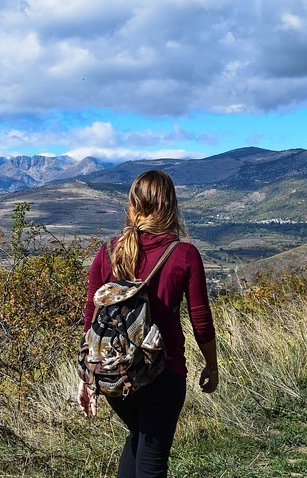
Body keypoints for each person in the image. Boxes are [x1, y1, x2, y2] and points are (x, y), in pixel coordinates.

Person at [78, 169, 219, 478]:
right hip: (163, 372)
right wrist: (212, 365)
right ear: (171, 205)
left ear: (133, 204)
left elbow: (91, 318)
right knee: (152, 463)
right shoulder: (184, 254)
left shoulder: (109, 251)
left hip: (114, 373)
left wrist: (87, 377)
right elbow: (201, 321)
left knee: (138, 438)